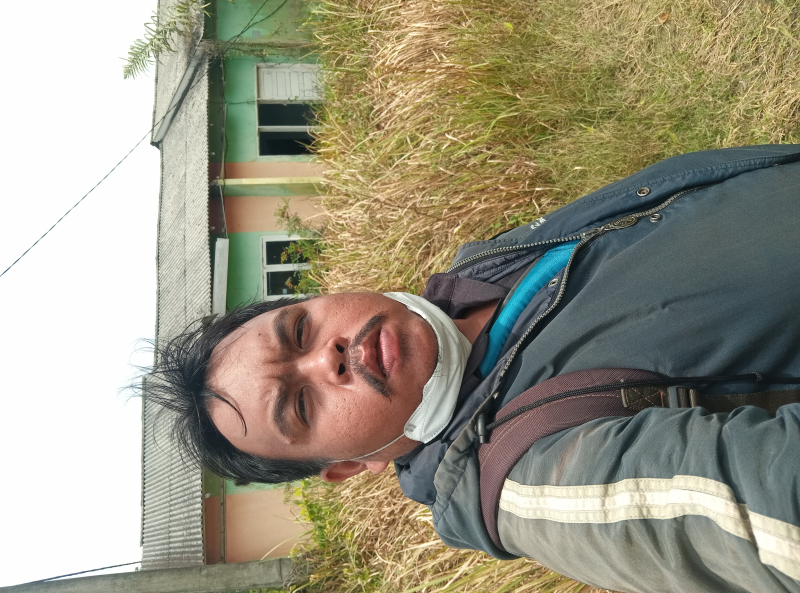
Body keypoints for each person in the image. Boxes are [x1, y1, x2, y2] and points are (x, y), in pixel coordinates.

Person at [147, 144, 800, 593]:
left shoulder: (478, 273)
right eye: (300, 404)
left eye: (300, 330)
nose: (328, 356)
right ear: (347, 466)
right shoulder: (531, 478)